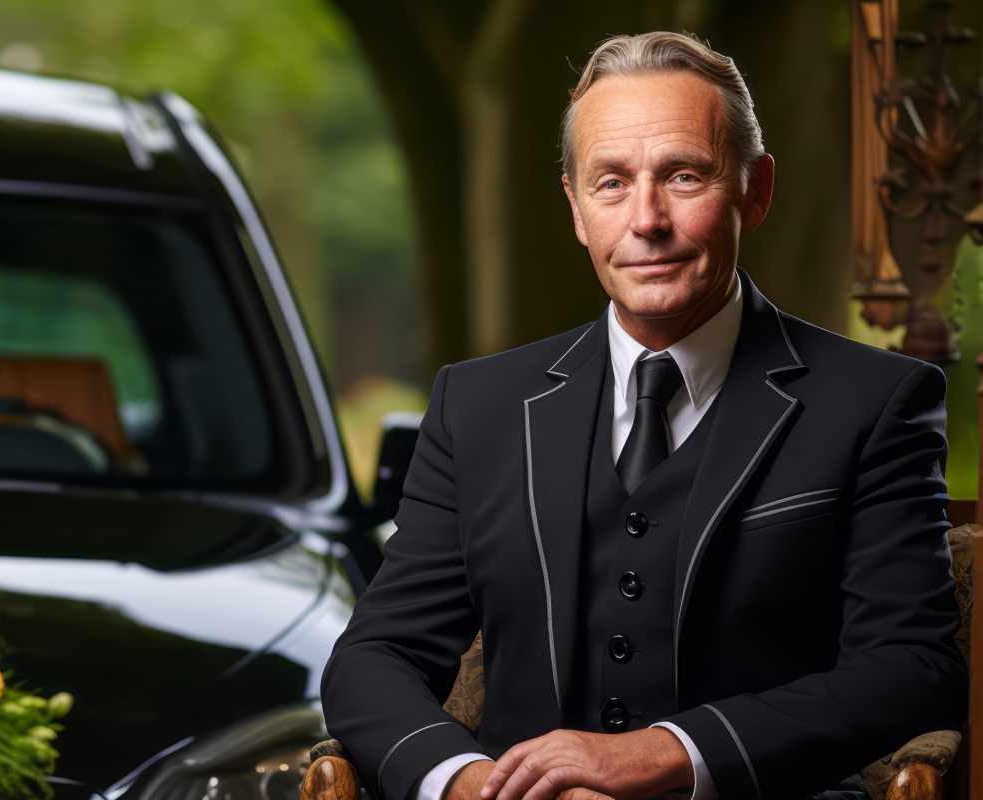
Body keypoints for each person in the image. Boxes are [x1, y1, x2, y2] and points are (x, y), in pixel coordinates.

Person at [319, 31, 965, 800]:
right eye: (612, 183)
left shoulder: (875, 400)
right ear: (576, 209)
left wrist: (670, 753)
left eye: (684, 176)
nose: (646, 219)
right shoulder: (477, 405)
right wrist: (467, 785)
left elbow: (909, 666)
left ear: (755, 191)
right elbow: (374, 657)